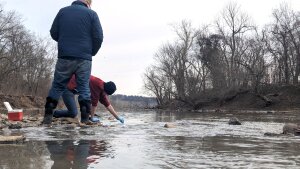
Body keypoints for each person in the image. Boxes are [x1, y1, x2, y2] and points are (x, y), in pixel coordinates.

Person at [42, 0, 103, 124]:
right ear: (88, 3)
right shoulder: (92, 14)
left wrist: (65, 41)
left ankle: (48, 116)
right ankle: (85, 120)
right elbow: (98, 37)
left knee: (57, 85)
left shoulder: (63, 11)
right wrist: (91, 52)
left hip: (65, 55)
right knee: (84, 87)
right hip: (84, 58)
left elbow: (53, 32)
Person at [53, 75, 124, 124]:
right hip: (67, 88)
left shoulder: (102, 87)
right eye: (107, 94)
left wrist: (118, 118)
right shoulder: (98, 86)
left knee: (82, 109)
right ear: (106, 91)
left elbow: (108, 105)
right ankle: (53, 113)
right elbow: (94, 104)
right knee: (73, 113)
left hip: (73, 90)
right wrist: (92, 118)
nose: (107, 95)